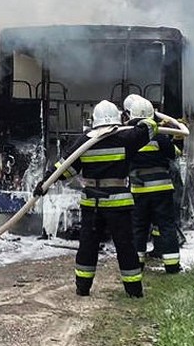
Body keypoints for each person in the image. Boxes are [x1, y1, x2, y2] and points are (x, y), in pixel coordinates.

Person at [37, 99, 151, 298]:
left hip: (92, 203)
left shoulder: (84, 141)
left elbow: (64, 169)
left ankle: (83, 288)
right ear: (117, 118)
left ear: (94, 120)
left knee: (88, 245)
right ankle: (134, 291)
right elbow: (150, 126)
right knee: (125, 246)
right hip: (118, 202)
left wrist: (44, 183)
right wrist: (134, 121)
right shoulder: (127, 137)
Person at [124, 94, 183, 274]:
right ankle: (172, 266)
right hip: (162, 190)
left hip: (139, 190)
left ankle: (138, 264)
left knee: (139, 227)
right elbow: (176, 154)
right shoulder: (160, 137)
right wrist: (175, 137)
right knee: (166, 226)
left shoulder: (127, 137)